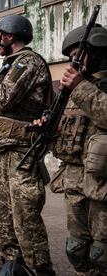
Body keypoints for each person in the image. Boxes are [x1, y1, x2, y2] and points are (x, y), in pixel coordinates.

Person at [0, 15, 55, 275]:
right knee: (2, 217)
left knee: (25, 217)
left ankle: (41, 270)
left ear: (10, 35)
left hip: (22, 151)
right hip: (5, 149)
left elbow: (3, 97)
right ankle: (14, 267)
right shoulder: (10, 66)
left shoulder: (27, 62)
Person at [38, 25, 107, 275]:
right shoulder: (75, 91)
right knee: (77, 248)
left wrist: (79, 86)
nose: (72, 62)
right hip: (75, 183)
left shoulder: (83, 88)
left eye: (77, 55)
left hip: (103, 185)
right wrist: (45, 126)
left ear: (96, 51)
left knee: (102, 253)